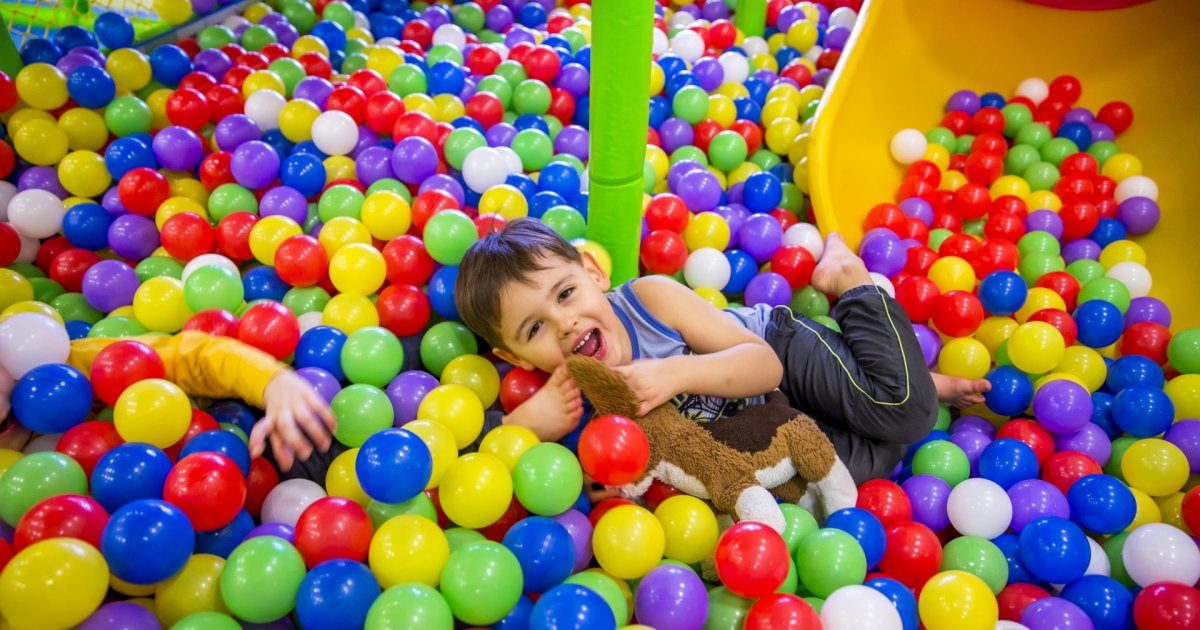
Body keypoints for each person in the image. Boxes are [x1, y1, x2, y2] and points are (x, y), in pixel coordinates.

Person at [456, 218, 990, 486]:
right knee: (853, 470)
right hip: (768, 424)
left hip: (775, 348)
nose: (566, 323)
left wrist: (677, 373)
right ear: (517, 358)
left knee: (907, 411)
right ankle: (894, 378)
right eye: (535, 328)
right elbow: (481, 469)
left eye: (567, 293)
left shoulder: (649, 300)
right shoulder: (569, 393)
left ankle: (848, 280)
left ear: (595, 275)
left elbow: (763, 366)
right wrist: (528, 425)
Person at [0, 330, 335, 474]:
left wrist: (273, 382)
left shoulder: (64, 369)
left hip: (206, 454)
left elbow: (193, 356)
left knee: (299, 435)